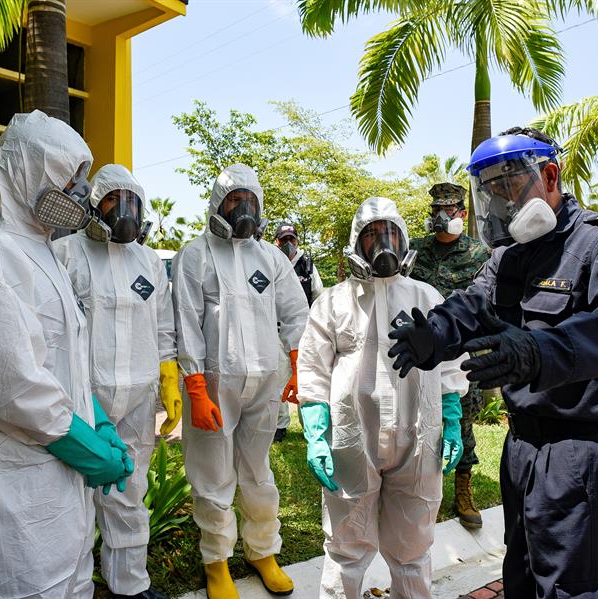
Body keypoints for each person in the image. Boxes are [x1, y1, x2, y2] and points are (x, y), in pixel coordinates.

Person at [388, 127, 598, 597]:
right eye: (490, 192)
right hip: (521, 451)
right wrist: (433, 334)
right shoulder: (510, 257)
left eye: (509, 188)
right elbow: (473, 305)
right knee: (522, 580)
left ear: (550, 176)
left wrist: (541, 352)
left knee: (576, 589)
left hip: (579, 452)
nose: (499, 204)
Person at [0, 110, 134, 598]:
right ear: (26, 173)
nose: (80, 194)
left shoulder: (42, 249)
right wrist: (85, 446)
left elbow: (61, 358)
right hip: (12, 496)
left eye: (81, 181)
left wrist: (97, 418)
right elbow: (11, 385)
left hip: (58, 492)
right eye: (68, 180)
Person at [298, 197, 469, 599]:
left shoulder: (426, 297)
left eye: (389, 233)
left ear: (403, 238)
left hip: (419, 436)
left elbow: (449, 363)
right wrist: (316, 431)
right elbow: (313, 368)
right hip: (351, 439)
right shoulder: (333, 302)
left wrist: (451, 414)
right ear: (356, 244)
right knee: (346, 548)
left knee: (413, 547)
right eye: (371, 235)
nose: (381, 244)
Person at [173, 164, 309, 599]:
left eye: (251, 200)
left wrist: (296, 359)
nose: (244, 208)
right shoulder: (194, 255)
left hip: (264, 384)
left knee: (258, 471)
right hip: (213, 385)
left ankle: (263, 551)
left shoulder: (269, 256)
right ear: (218, 204)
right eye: (235, 200)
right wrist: (194, 386)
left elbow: (295, 310)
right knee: (213, 478)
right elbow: (186, 324)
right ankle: (217, 563)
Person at [54, 164, 179, 599]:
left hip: (140, 395)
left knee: (131, 490)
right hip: (84, 398)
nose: (123, 209)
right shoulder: (66, 253)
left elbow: (163, 323)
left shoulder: (147, 260)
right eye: (113, 200)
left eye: (131, 201)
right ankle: (74, 587)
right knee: (75, 496)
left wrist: (168, 374)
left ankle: (130, 585)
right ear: (95, 204)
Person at [408, 182, 490, 529]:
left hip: (462, 352)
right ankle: (413, 487)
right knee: (412, 417)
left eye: (450, 209)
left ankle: (463, 490)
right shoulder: (414, 249)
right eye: (435, 210)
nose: (442, 216)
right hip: (419, 349)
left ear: (463, 213)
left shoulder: (478, 254)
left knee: (464, 421)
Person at [273, 221, 324, 442]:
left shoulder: (308, 265)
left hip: (304, 332)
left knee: (306, 379)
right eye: (283, 240)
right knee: (278, 379)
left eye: (291, 239)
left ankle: (309, 425)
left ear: (297, 241)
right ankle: (279, 425)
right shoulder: (270, 262)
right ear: (276, 242)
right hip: (275, 331)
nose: (287, 244)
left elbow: (319, 297)